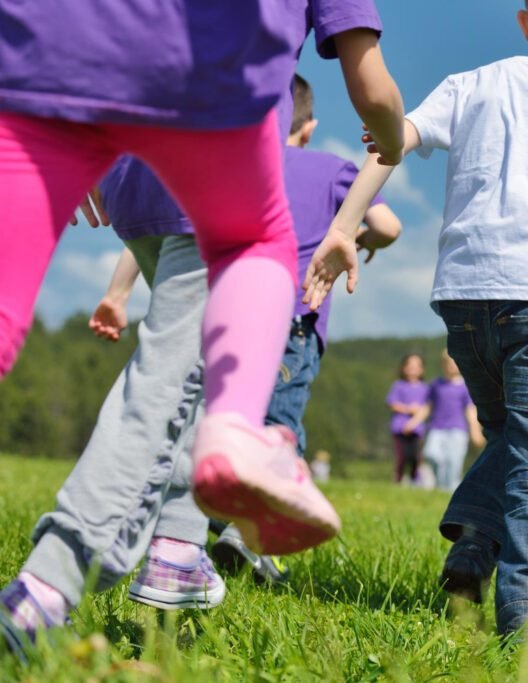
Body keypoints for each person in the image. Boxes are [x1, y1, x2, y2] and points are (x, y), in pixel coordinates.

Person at [0, 9, 404, 644]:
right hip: (219, 169)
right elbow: (373, 86)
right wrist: (392, 138)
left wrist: (91, 141)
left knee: (194, 375)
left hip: (130, 176)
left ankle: (178, 551)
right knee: (166, 380)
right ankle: (51, 580)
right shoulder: (314, 158)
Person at [305, 0, 528, 636]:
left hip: (464, 299)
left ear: (525, 22)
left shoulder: (471, 83)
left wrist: (344, 225)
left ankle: (473, 546)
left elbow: (392, 141)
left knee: (518, 440)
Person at [405, 351, 485, 492]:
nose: (451, 366)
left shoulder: (465, 386)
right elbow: (427, 407)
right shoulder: (436, 384)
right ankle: (441, 485)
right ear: (443, 365)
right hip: (437, 428)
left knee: (453, 462)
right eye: (448, 363)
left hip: (458, 430)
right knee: (431, 454)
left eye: (455, 362)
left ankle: (449, 491)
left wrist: (475, 431)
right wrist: (413, 422)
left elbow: (470, 411)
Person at [387, 354, 430, 485]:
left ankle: (415, 482)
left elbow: (428, 407)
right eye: (409, 366)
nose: (412, 369)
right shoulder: (398, 385)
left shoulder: (425, 388)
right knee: (401, 458)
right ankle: (398, 482)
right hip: (399, 428)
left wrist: (417, 414)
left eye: (416, 366)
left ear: (422, 369)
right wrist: (408, 409)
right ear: (403, 368)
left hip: (417, 430)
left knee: (415, 458)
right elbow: (392, 404)